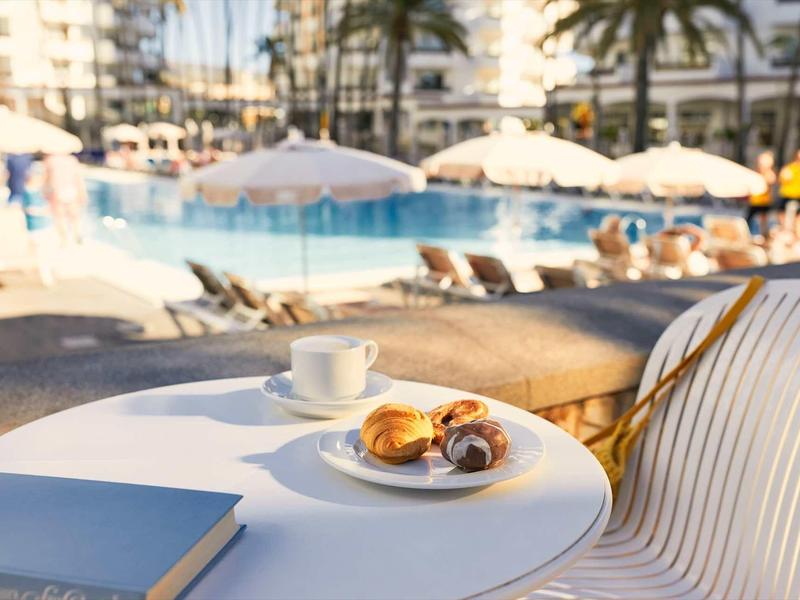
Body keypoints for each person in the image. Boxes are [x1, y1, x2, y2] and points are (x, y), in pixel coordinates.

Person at [20, 166, 55, 286]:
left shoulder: (39, 191)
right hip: (36, 228)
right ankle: (46, 277)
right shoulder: (28, 193)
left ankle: (30, 269)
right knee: (40, 252)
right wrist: (41, 211)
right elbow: (27, 209)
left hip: (43, 226)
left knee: (37, 250)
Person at [43, 153, 87, 245]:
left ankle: (64, 240)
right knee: (74, 217)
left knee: (59, 217)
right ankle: (77, 235)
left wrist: (45, 192)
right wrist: (82, 193)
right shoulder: (72, 160)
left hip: (57, 190)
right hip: (71, 190)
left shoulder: (51, 160)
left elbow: (47, 179)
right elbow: (78, 178)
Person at [747, 151, 775, 236]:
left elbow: (770, 182)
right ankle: (749, 233)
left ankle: (764, 235)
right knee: (749, 219)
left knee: (763, 220)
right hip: (755, 200)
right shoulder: (756, 172)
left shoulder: (769, 174)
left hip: (764, 201)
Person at [778, 149, 800, 225]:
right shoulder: (789, 168)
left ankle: (797, 229)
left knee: (797, 215)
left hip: (798, 194)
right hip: (788, 194)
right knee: (782, 211)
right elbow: (781, 179)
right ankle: (783, 227)